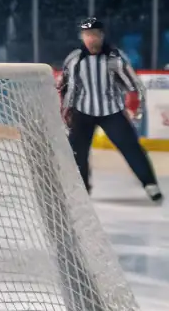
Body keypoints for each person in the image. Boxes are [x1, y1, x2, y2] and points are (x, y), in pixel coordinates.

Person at [58, 17, 162, 203]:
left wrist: (133, 110)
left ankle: (150, 184)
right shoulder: (74, 60)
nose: (91, 38)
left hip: (111, 112)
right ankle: (82, 188)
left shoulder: (115, 58)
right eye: (87, 35)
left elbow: (133, 85)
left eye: (95, 34)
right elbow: (65, 86)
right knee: (77, 152)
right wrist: (66, 110)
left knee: (131, 148)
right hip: (82, 112)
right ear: (82, 37)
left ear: (101, 36)